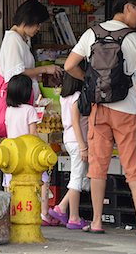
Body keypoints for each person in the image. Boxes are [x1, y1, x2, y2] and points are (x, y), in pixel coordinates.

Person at [64, 0, 136, 235]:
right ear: (127, 7)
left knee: (97, 166)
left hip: (98, 110)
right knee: (133, 166)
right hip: (127, 110)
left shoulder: (91, 33)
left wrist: (89, 81)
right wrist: (133, 92)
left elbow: (68, 66)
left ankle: (96, 222)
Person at [2, 74, 59, 226]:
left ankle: (12, 212)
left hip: (12, 152)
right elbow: (33, 134)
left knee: (10, 183)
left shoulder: (8, 110)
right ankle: (44, 213)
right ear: (27, 92)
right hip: (28, 153)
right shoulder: (29, 110)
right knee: (44, 181)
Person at [0, 0, 63, 102]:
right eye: (38, 24)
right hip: (18, 103)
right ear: (28, 20)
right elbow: (16, 74)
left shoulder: (20, 39)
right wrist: (45, 69)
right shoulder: (13, 40)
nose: (39, 28)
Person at [49, 71, 89, 230]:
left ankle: (61, 208)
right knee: (77, 178)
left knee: (78, 176)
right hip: (76, 138)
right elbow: (76, 122)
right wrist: (83, 146)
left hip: (68, 138)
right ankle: (74, 217)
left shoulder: (64, 97)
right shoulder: (77, 97)